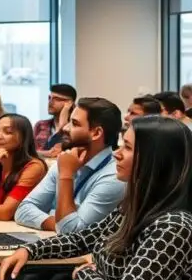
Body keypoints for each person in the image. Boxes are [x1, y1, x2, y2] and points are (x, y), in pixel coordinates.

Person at [0, 116, 192, 280]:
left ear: (155, 160)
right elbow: (84, 239)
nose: (117, 154)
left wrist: (84, 275)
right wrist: (30, 250)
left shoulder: (173, 228)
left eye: (127, 148)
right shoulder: (135, 207)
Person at [14, 97, 125, 234]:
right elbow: (23, 210)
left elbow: (73, 231)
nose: (65, 128)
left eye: (75, 124)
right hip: (54, 241)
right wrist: (59, 223)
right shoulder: (66, 160)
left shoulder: (115, 176)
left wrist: (66, 175)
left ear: (96, 133)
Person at [0, 114, 47, 221]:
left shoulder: (34, 167)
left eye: (8, 132)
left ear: (23, 138)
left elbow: (6, 212)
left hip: (19, 227)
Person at [34, 83, 77, 157]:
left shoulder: (75, 127)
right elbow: (29, 153)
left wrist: (63, 121)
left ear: (70, 103)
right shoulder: (40, 125)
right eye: (49, 98)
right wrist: (47, 153)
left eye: (57, 99)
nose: (50, 102)